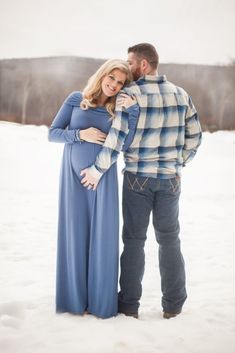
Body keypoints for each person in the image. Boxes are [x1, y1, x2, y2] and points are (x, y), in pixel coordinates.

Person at [80, 43, 202, 319]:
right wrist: (178, 161)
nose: (127, 68)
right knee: (170, 240)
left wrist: (97, 170)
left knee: (134, 241)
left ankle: (130, 306)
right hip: (170, 179)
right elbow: (195, 136)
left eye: (130, 63)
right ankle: (173, 306)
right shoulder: (182, 95)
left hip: (137, 179)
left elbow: (117, 137)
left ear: (143, 65)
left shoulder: (130, 95)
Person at [48, 59, 139, 319]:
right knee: (75, 235)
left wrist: (132, 111)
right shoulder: (77, 99)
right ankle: (74, 301)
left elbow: (127, 143)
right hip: (73, 181)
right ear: (102, 75)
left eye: (121, 82)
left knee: (103, 238)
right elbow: (53, 133)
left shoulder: (119, 109)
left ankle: (100, 303)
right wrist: (80, 135)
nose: (114, 85)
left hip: (103, 179)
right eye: (112, 78)